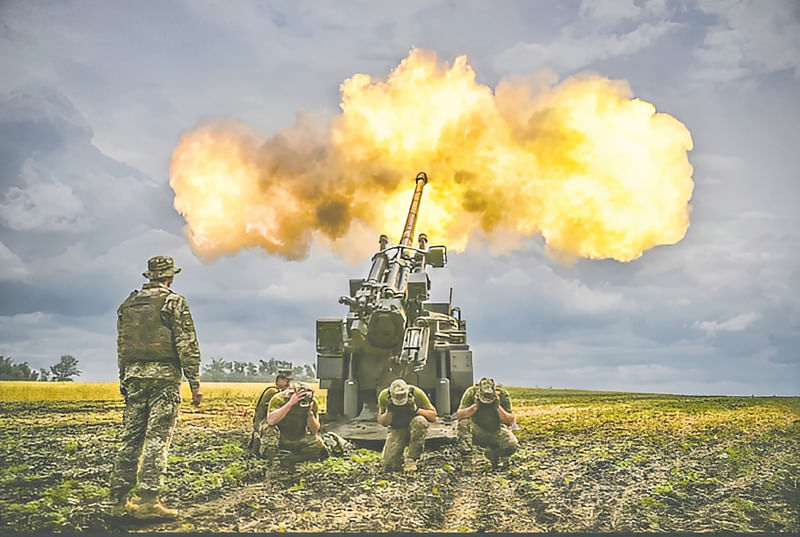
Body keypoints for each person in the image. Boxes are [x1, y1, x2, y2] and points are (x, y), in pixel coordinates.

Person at [109, 255, 202, 520]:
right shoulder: (174, 302)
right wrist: (195, 383)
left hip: (134, 377)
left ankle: (117, 501)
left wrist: (123, 379)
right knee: (156, 439)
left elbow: (122, 347)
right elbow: (187, 345)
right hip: (163, 379)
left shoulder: (127, 305)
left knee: (130, 438)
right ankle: (149, 500)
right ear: (169, 277)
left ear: (149, 276)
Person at [257, 383, 349, 464]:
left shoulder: (312, 402)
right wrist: (290, 404)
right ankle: (271, 457)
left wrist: (310, 413)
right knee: (269, 429)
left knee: (319, 446)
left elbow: (315, 431)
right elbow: (271, 421)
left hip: (298, 435)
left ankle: (292, 457)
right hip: (279, 435)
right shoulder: (279, 399)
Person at [455, 377, 518, 468]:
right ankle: (467, 460)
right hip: (477, 431)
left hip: (496, 431)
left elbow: (510, 421)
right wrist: (476, 405)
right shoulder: (471, 392)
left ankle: (494, 454)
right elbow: (459, 415)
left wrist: (497, 406)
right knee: (463, 424)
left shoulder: (502, 395)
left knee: (512, 444)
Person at [377, 379, 437, 472]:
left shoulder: (416, 393)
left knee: (420, 421)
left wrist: (416, 410)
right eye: (397, 396)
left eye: (402, 395)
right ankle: (398, 458)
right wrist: (389, 411)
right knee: (389, 465)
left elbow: (433, 416)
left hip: (414, 424)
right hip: (397, 428)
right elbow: (383, 422)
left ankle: (412, 458)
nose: (400, 398)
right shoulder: (384, 396)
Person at [248, 371, 291, 454]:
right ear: (279, 380)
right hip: (263, 422)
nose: (288, 383)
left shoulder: (275, 391)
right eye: (286, 381)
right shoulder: (274, 392)